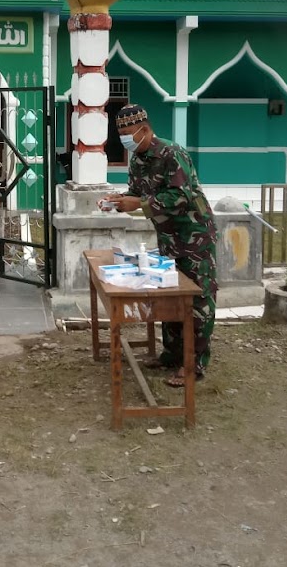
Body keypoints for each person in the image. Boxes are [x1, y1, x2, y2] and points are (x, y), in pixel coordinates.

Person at [100, 104, 218, 387]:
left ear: (144, 129)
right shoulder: (137, 160)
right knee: (169, 295)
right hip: (166, 236)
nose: (125, 140)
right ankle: (172, 354)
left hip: (195, 235)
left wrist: (139, 204)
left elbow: (182, 196)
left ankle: (194, 364)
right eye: (121, 135)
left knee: (198, 299)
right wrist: (118, 200)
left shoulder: (171, 154)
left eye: (129, 134)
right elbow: (136, 193)